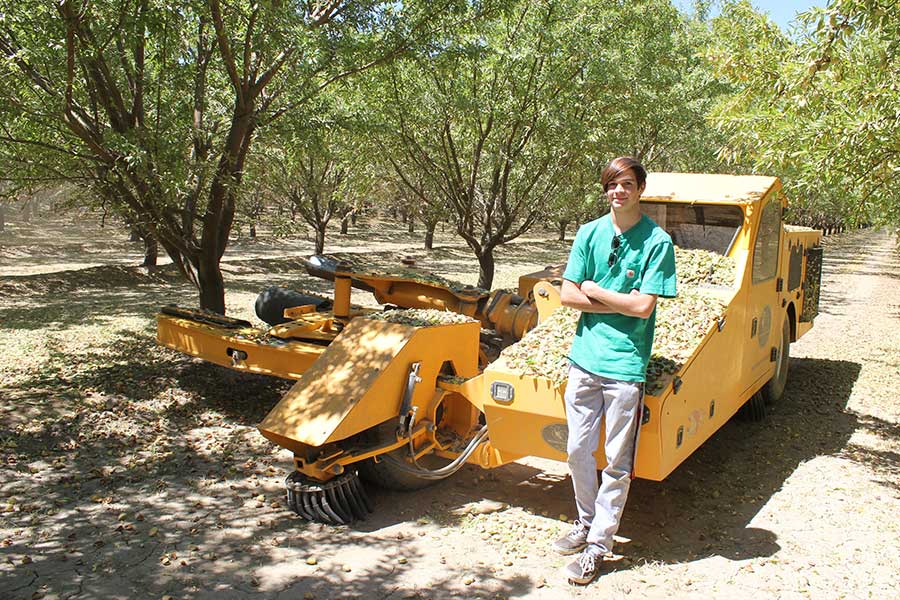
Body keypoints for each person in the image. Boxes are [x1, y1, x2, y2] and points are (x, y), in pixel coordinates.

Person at [552, 156, 676, 584]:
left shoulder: (657, 242)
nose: (618, 191)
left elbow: (644, 308)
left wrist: (596, 289)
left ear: (640, 188)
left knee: (617, 462)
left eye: (626, 184)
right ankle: (586, 522)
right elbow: (567, 294)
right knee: (576, 451)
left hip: (625, 365)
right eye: (611, 184)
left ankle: (598, 547)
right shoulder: (589, 233)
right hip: (583, 360)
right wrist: (612, 299)